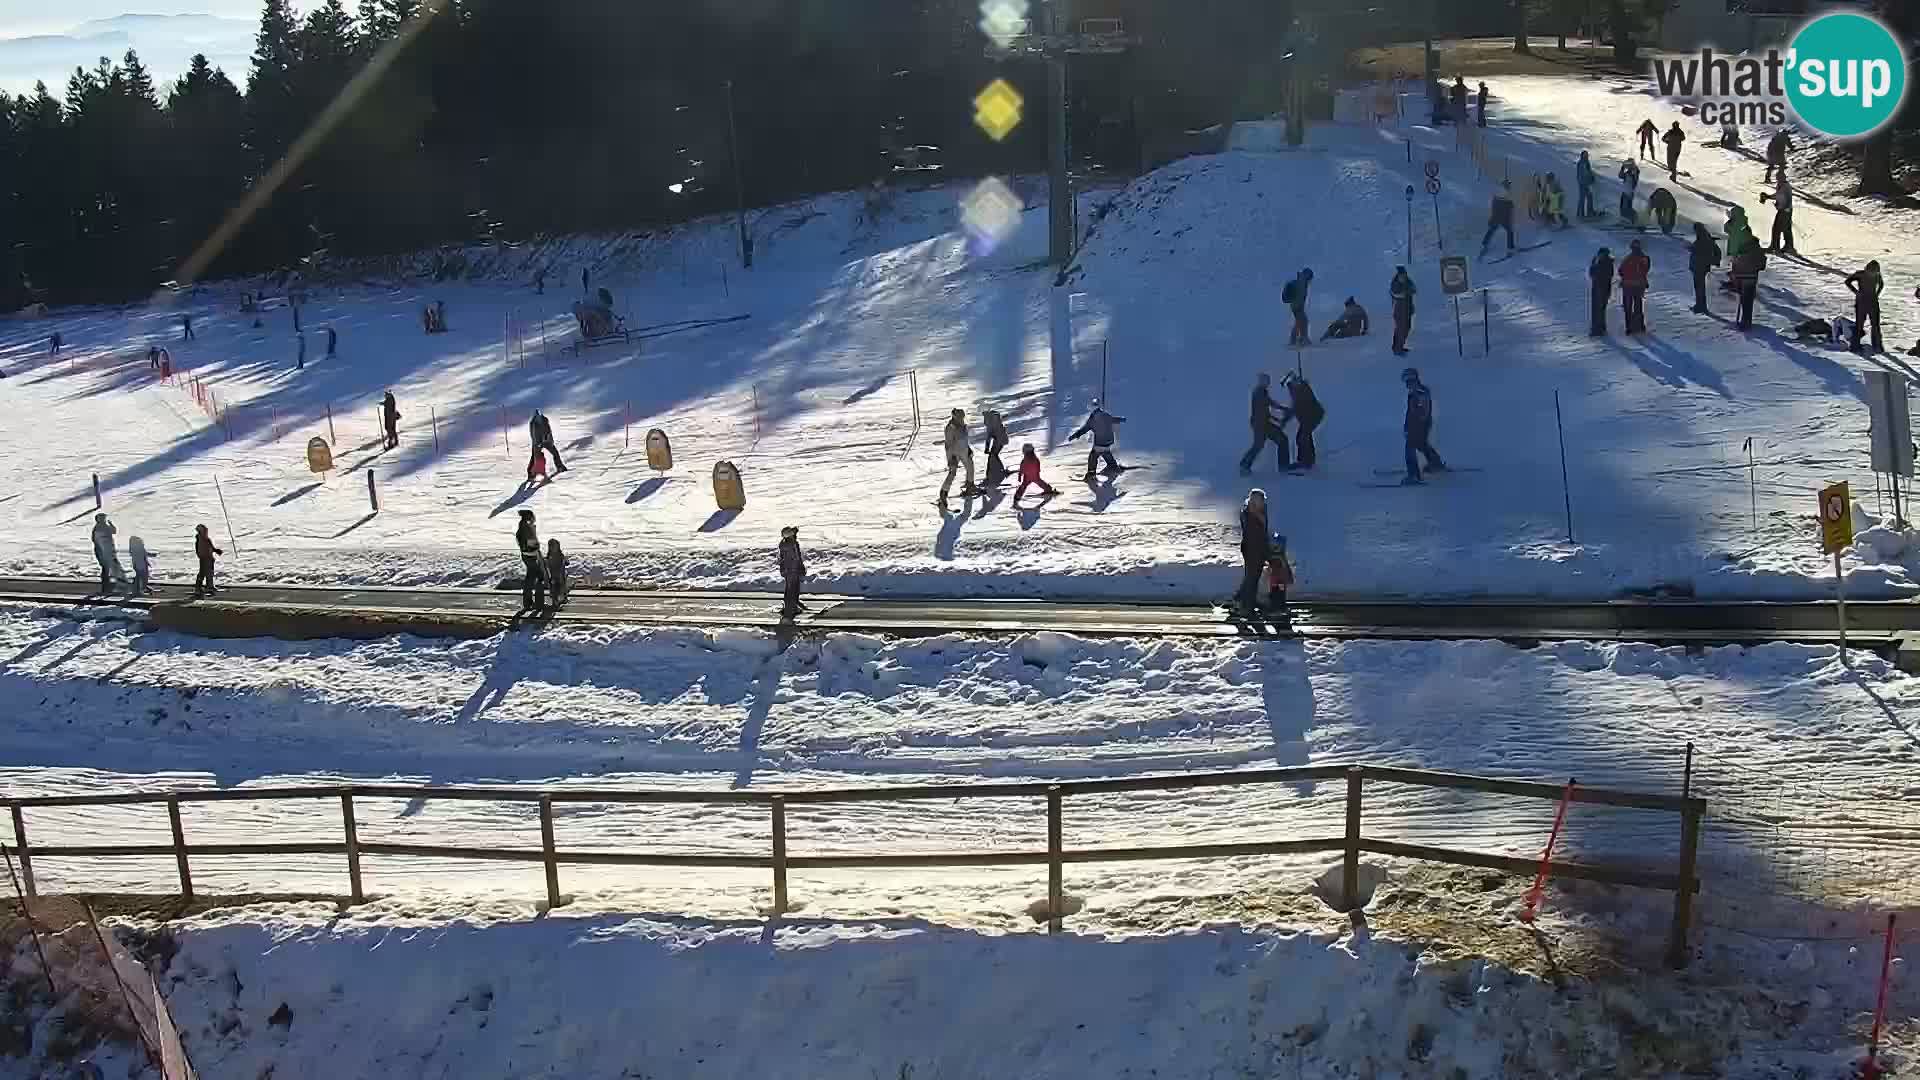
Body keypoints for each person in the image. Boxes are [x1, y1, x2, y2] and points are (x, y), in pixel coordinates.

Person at [1239, 373, 1292, 474]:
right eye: (1267, 381)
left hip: (1262, 424)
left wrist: (1277, 417)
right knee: (1280, 440)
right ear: (1262, 382)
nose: (1268, 383)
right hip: (1261, 425)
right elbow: (1269, 405)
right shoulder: (1259, 393)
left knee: (1260, 445)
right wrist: (1283, 410)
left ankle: (1244, 465)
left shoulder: (1261, 392)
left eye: (1268, 381)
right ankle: (1283, 466)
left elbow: (1267, 409)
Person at [1401, 367, 1446, 485]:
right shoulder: (1415, 392)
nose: (1406, 385)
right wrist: (1407, 425)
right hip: (1418, 425)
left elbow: (1422, 412)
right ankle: (1435, 463)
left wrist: (1416, 426)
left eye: (1408, 381)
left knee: (1409, 448)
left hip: (1419, 425)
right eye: (1405, 382)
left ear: (1413, 380)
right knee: (1422, 444)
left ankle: (1414, 475)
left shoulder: (1420, 393)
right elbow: (1410, 412)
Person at [1234, 489, 1271, 616]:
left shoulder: (1262, 511)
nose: (1263, 503)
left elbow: (1263, 530)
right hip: (1251, 548)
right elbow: (1251, 533)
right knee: (1251, 576)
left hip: (1260, 547)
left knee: (1254, 576)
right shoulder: (1247, 513)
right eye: (1260, 501)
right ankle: (1243, 603)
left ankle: (1247, 600)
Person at [1069, 399, 1126, 477]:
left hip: (1100, 442)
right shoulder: (1105, 414)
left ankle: (1091, 473)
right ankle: (1113, 466)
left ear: (1092, 408)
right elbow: (1113, 419)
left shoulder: (1093, 418)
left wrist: (1075, 435)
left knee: (1093, 456)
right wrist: (1121, 419)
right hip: (1108, 441)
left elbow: (1085, 428)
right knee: (1105, 452)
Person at [1285, 373, 1325, 470]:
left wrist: (1284, 420)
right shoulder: (1298, 391)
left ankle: (1304, 462)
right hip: (1308, 418)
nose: (1290, 392)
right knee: (1304, 436)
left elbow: (1295, 408)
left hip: (1313, 416)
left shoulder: (1302, 390)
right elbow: (1294, 408)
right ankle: (1308, 460)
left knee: (1302, 437)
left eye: (1291, 388)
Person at [1845, 260, 1886, 354]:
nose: (1873, 273)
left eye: (1875, 271)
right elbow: (1847, 281)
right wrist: (1856, 292)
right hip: (1861, 303)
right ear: (1867, 269)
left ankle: (1877, 346)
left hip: (1873, 302)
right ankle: (1855, 346)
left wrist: (1877, 294)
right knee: (1859, 324)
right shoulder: (1860, 274)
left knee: (1875, 325)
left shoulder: (1877, 275)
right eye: (1872, 271)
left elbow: (1881, 284)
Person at [939, 408, 977, 506]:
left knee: (970, 467)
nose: (962, 419)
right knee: (952, 473)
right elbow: (948, 445)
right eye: (960, 417)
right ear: (955, 417)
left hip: (964, 451)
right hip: (955, 454)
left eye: (963, 417)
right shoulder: (950, 428)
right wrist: (950, 459)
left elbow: (964, 439)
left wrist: (968, 449)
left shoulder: (962, 425)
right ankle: (943, 493)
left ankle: (970, 486)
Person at [515, 510, 547, 612]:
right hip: (531, 556)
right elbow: (534, 544)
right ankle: (539, 603)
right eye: (533, 516)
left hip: (527, 556)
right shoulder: (527, 529)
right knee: (539, 577)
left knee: (530, 577)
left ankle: (528, 603)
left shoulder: (522, 527)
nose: (534, 518)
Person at [1687, 222, 1722, 314]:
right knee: (1700, 287)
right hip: (1701, 266)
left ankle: (1700, 306)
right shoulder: (1706, 237)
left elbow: (1700, 251)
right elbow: (1716, 251)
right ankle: (1700, 305)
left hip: (1699, 266)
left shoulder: (1702, 239)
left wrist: (1691, 248)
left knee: (1699, 287)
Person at [1619, 239, 1651, 334]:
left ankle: (1629, 327)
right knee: (1638, 305)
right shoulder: (1645, 258)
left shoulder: (1628, 258)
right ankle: (1639, 326)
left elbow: (1621, 271)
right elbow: (1646, 269)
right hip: (1639, 285)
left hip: (1627, 285)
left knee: (1628, 307)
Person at [1731, 245, 1765, 331]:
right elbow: (1762, 266)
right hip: (1752, 278)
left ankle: (1744, 322)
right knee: (1748, 302)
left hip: (1742, 278)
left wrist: (1735, 276)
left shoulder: (1741, 248)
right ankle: (1747, 321)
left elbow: (1735, 263)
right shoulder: (1758, 251)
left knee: (1744, 301)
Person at [1760, 170, 1794, 254]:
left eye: (1779, 177)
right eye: (1777, 177)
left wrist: (1787, 207)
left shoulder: (1786, 186)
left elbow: (1788, 197)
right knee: (1786, 229)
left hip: (1785, 210)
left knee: (1777, 229)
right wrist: (1768, 197)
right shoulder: (1780, 185)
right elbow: (1778, 195)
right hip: (1783, 209)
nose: (1777, 178)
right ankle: (1788, 246)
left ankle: (1775, 247)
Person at [1481, 180, 1517, 255]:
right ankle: (1510, 249)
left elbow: (1494, 205)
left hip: (1496, 216)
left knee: (1492, 229)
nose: (1510, 187)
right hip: (1502, 217)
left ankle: (1484, 244)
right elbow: (1508, 208)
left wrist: (1493, 216)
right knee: (1510, 231)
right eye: (1509, 185)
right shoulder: (1506, 195)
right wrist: (1509, 219)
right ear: (1506, 186)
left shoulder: (1498, 194)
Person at [778, 526, 806, 618]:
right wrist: (801, 568)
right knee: (794, 589)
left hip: (787, 571)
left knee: (789, 589)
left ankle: (788, 607)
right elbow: (797, 558)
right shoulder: (793, 545)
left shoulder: (783, 544)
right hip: (793, 570)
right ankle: (792, 609)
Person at [91, 514, 124, 594]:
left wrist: (111, 524)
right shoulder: (98, 528)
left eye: (104, 518)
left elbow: (114, 531)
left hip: (109, 551)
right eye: (103, 518)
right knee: (107, 569)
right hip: (103, 552)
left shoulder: (105, 526)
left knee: (114, 568)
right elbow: (98, 542)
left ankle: (114, 586)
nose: (104, 519)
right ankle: (107, 588)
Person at [1265, 533, 1295, 615]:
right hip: (1278, 574)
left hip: (1277, 575)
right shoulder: (1280, 556)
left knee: (1277, 589)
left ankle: (1276, 606)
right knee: (1279, 590)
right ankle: (1278, 607)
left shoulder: (1274, 556)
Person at [1390, 266, 1416, 356]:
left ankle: (1400, 346)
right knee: (1400, 329)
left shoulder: (1408, 281)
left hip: (1408, 309)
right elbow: (1395, 294)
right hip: (1399, 310)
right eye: (1402, 275)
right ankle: (1397, 348)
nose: (1403, 277)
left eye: (1404, 275)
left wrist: (1408, 292)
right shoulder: (1395, 283)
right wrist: (1405, 293)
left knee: (1407, 327)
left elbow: (1414, 289)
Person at [1589, 247, 1615, 336]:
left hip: (1602, 288)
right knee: (1599, 309)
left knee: (1598, 309)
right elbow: (1591, 273)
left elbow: (1605, 275)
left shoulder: (1606, 263)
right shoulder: (1599, 262)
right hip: (1598, 287)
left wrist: (1595, 267)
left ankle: (1598, 329)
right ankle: (1600, 327)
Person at [1283, 268, 1313, 346]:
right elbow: (1300, 295)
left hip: (1297, 305)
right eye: (1310, 278)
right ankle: (1300, 339)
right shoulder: (1301, 282)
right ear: (1307, 275)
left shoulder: (1302, 281)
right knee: (1302, 321)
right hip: (1297, 306)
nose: (1310, 280)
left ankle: (1298, 339)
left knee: (1300, 322)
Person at [982, 409, 1010, 487]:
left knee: (992, 456)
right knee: (994, 456)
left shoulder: (990, 424)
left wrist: (986, 448)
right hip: (1001, 439)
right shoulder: (994, 418)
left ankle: (993, 474)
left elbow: (988, 437)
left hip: (999, 440)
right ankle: (999, 471)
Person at [192, 524, 222, 596]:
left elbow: (210, 547)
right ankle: (198, 587)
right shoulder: (200, 540)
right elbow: (199, 550)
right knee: (202, 573)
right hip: (204, 558)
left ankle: (209, 586)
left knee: (210, 573)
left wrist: (215, 550)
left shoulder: (206, 539)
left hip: (209, 558)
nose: (206, 532)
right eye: (204, 531)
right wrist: (202, 557)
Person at [546, 538, 569, 609]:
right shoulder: (551, 556)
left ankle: (561, 599)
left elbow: (567, 563)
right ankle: (556, 603)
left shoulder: (559, 555)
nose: (553, 548)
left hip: (560, 575)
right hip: (555, 576)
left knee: (560, 587)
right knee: (556, 589)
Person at [1574, 151, 1597, 219]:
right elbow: (1585, 173)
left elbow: (1588, 172)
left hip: (1585, 183)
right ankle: (1581, 214)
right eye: (1585, 155)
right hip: (1583, 183)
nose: (1586, 156)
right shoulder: (1582, 163)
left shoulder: (1586, 162)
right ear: (1582, 156)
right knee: (1583, 198)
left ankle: (1588, 212)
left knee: (1589, 197)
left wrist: (1591, 177)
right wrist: (1590, 179)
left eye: (1587, 155)